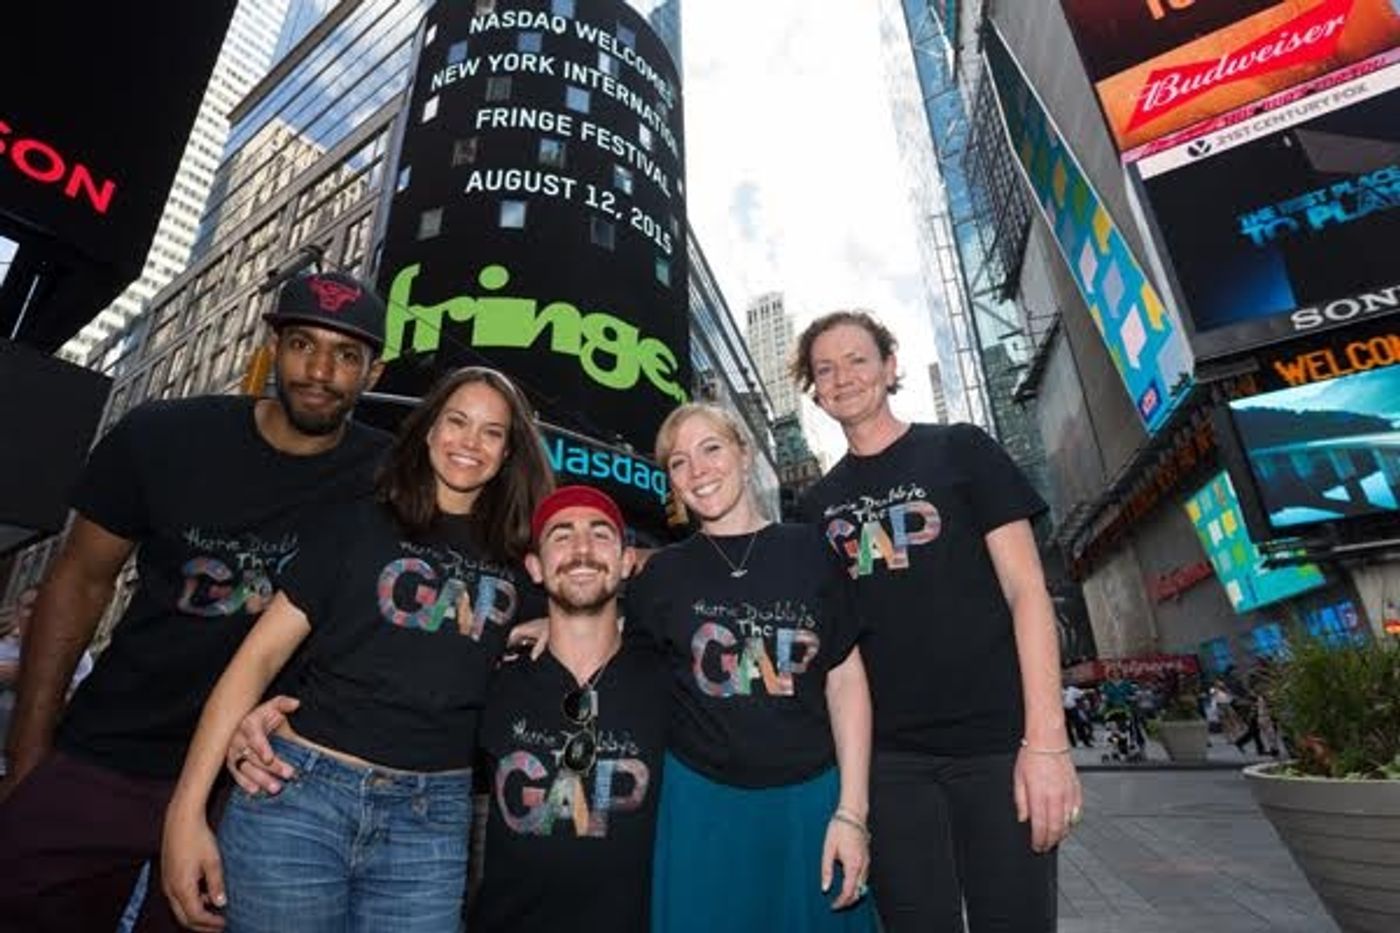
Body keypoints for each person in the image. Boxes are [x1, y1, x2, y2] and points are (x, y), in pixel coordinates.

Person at [0, 270, 393, 933]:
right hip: (108, 752)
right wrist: (30, 753)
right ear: (271, 348)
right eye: (303, 343)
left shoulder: (389, 478)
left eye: (347, 354)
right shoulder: (161, 437)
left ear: (373, 373)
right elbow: (80, 583)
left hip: (256, 786)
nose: (321, 370)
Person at [159, 366, 552, 932]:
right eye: (457, 421)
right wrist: (186, 812)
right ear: (427, 430)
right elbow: (257, 660)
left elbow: (589, 626)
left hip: (432, 820)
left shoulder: (522, 564)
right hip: (299, 798)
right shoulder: (357, 524)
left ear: (509, 452)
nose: (470, 442)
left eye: (492, 432)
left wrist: (557, 624)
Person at [792, 310, 1080, 933]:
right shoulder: (813, 508)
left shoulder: (960, 449)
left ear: (890, 367)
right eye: (825, 369)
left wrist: (1048, 743)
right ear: (814, 390)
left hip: (998, 746)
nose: (842, 377)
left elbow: (1028, 592)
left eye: (857, 360)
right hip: (891, 764)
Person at [627, 402, 875, 932]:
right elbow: (618, 660)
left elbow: (846, 680)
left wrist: (852, 812)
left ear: (743, 454)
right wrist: (546, 626)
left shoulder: (811, 550)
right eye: (678, 462)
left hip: (810, 802)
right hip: (700, 806)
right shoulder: (661, 575)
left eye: (711, 448)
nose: (698, 471)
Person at [469, 485, 670, 932]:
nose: (582, 549)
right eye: (561, 535)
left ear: (626, 562)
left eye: (600, 534)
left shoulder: (668, 681)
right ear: (535, 568)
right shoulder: (493, 680)